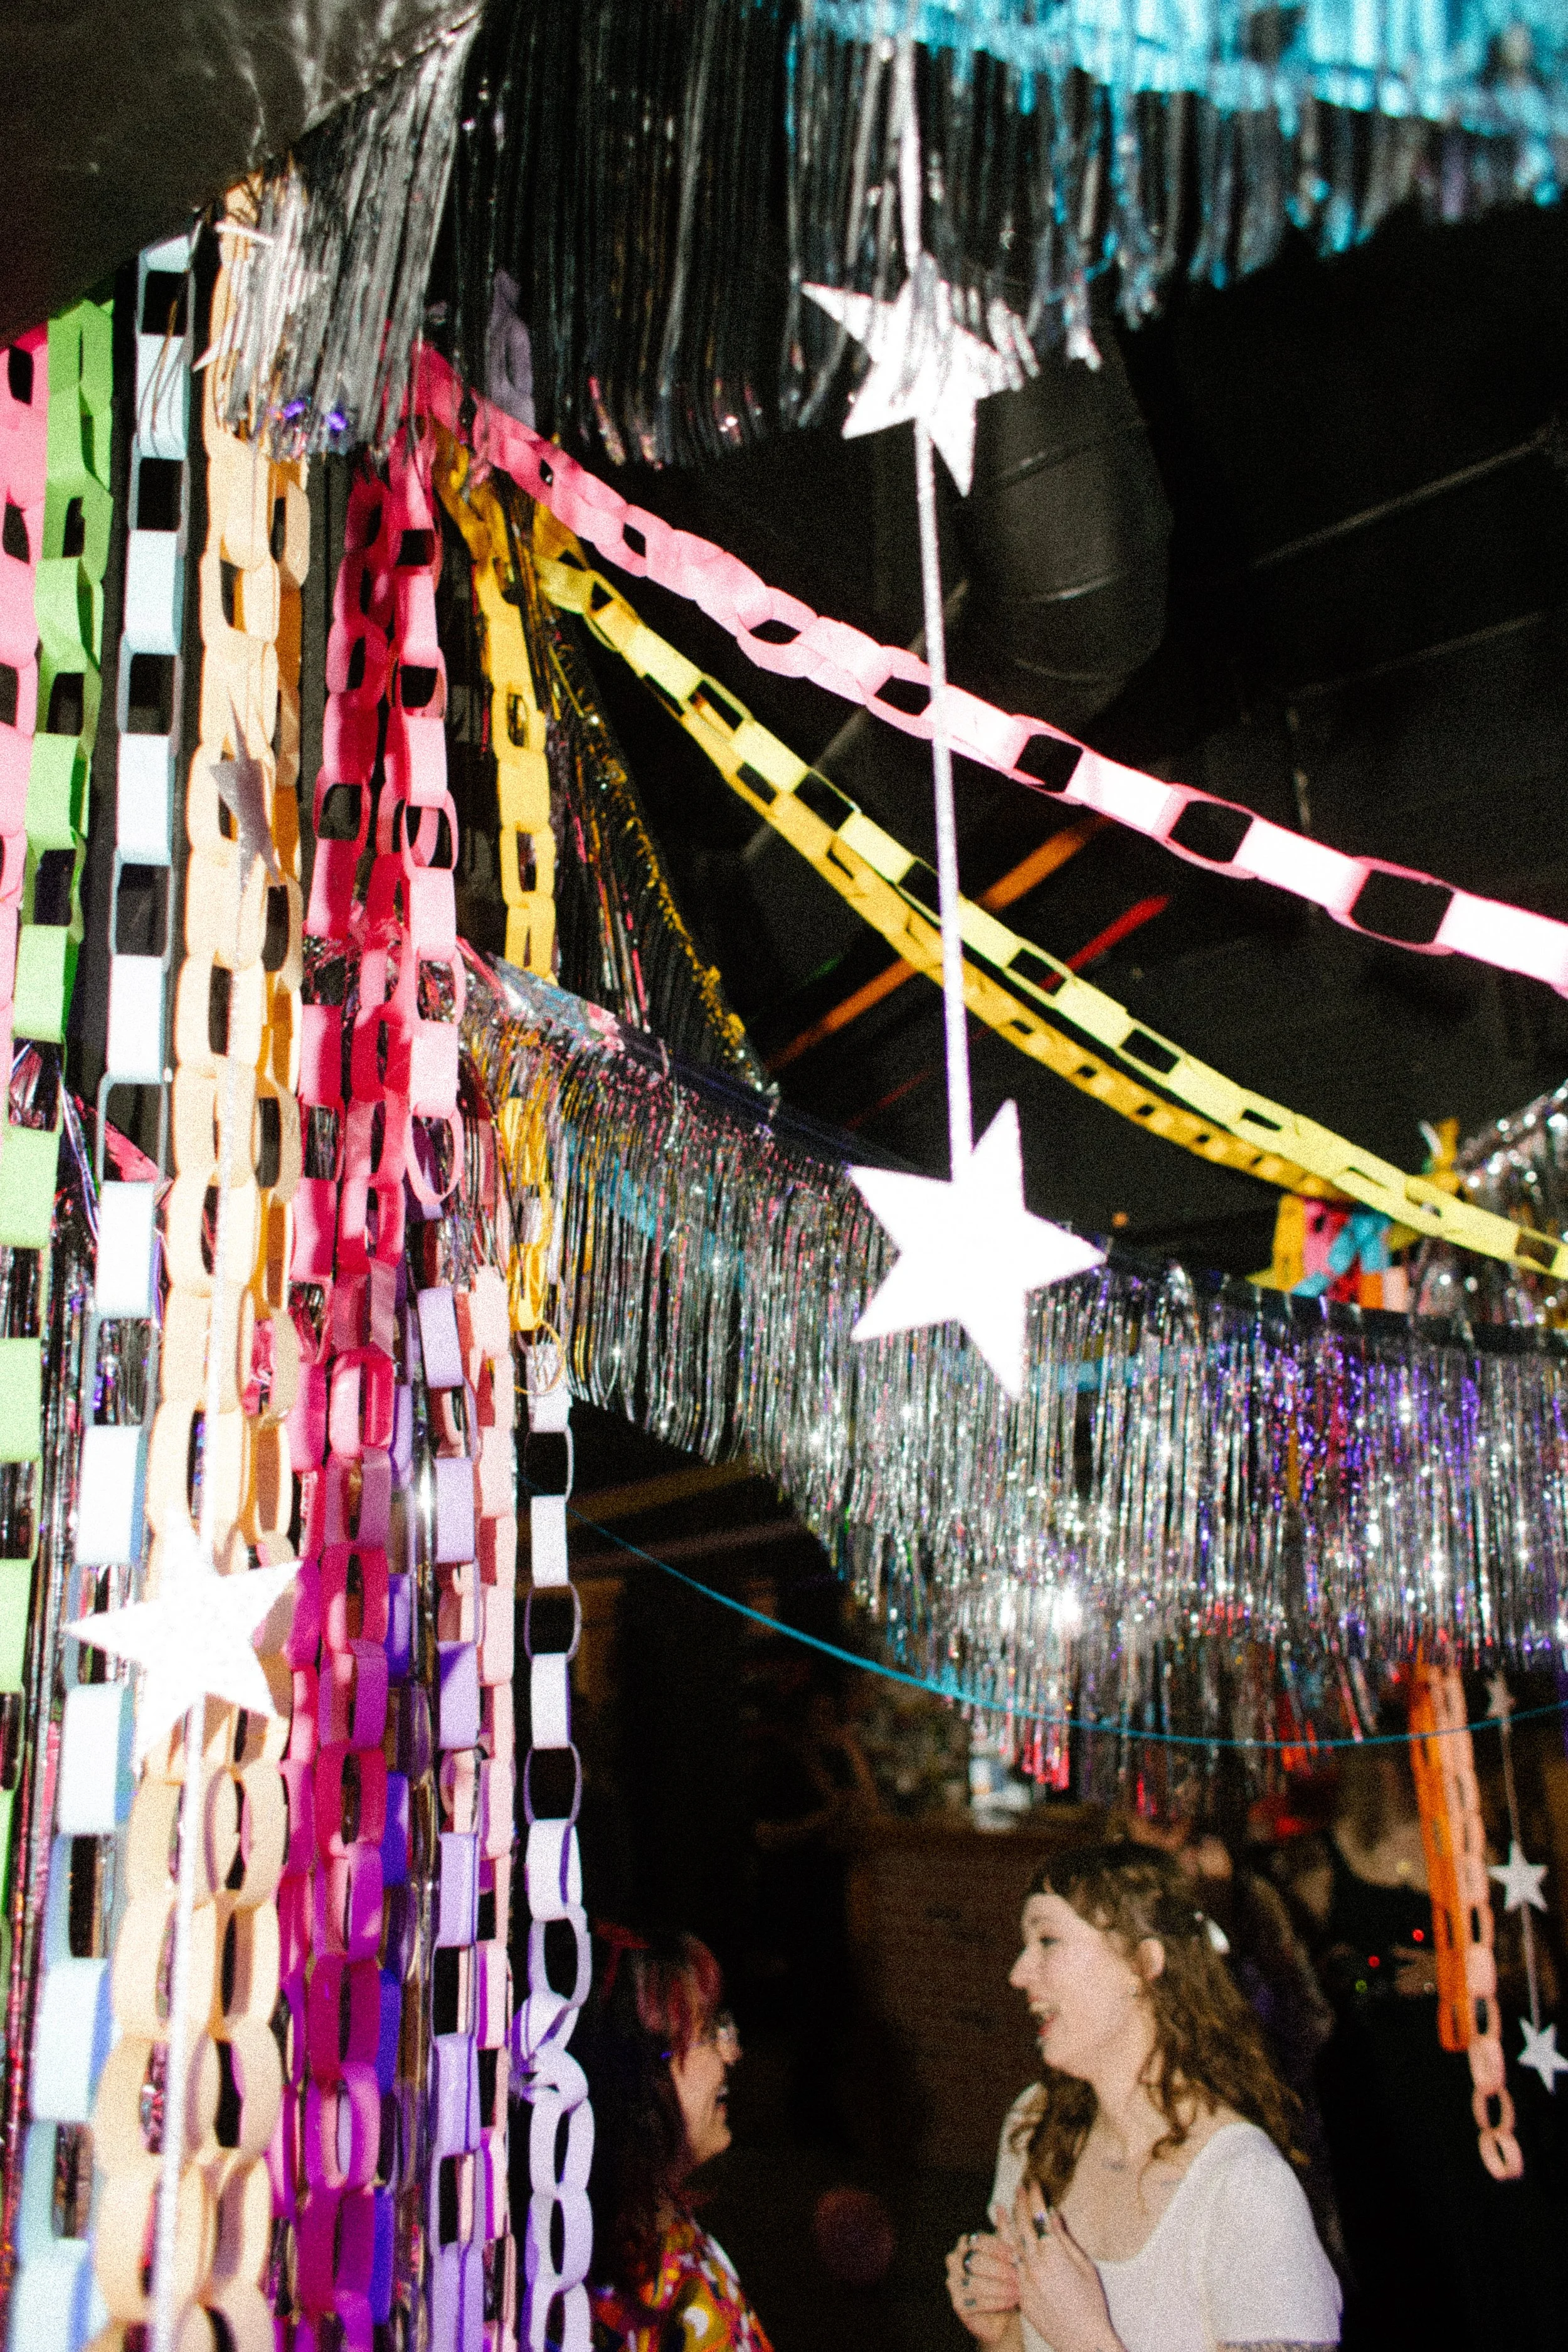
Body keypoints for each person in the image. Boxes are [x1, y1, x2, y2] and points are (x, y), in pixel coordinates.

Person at [945, 1843, 1342, 2352]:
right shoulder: (1035, 2125)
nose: (1018, 1973)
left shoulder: (1243, 2184)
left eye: (1047, 1940)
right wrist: (1003, 2331)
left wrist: (1086, 2340)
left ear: (1144, 1963)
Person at [1277, 1740, 1568, 2352]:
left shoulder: (1472, 1847)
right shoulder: (1321, 1866)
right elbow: (1305, 1991)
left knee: (1506, 2244)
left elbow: (1539, 1976)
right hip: (1387, 2100)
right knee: (1416, 2258)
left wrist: (1457, 1975)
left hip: (1479, 2092)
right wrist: (1359, 1976)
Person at [578, 1924, 775, 2352]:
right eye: (709, 2033)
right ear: (643, 2079)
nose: (732, 2054)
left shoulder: (670, 2239)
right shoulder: (632, 2294)